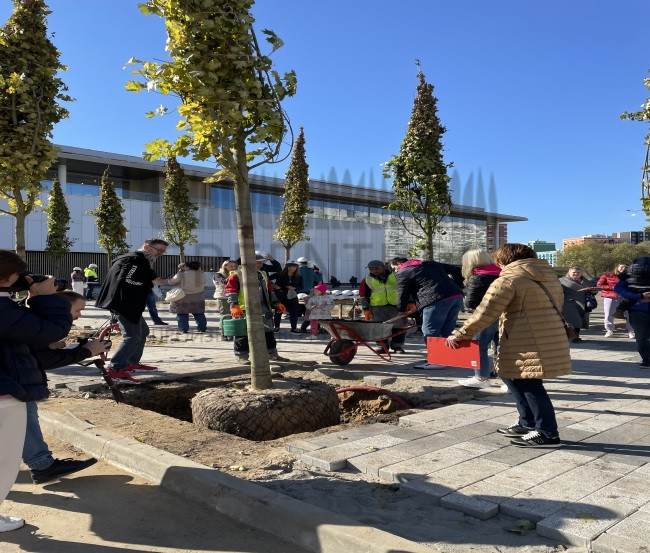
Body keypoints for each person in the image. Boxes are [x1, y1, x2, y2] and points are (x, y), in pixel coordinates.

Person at [446, 243, 571, 448]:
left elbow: (485, 312)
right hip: (546, 335)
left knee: (530, 384)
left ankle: (547, 433)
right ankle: (527, 422)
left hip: (525, 338)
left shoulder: (508, 280)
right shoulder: (549, 278)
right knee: (509, 375)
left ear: (504, 260)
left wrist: (461, 334)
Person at [0, 250, 73, 532]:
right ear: (11, 276)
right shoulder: (3, 309)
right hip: (5, 396)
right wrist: (45, 296)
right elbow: (50, 330)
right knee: (5, 461)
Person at [25, 291, 108, 484]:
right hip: (12, 383)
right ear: (62, 308)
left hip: (14, 381)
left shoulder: (36, 320)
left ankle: (42, 465)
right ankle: (43, 465)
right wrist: (87, 351)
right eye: (78, 310)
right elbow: (43, 359)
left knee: (24, 420)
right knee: (25, 418)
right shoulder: (39, 324)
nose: (80, 315)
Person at [95, 238, 170, 383]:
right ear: (146, 247)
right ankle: (114, 369)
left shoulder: (142, 260)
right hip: (124, 303)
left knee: (143, 331)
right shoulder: (135, 259)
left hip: (129, 303)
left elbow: (148, 276)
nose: (160, 253)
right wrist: (150, 282)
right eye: (158, 250)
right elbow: (127, 279)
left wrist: (161, 280)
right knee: (132, 336)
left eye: (163, 251)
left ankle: (130, 362)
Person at [391, 256, 463, 368]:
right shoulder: (430, 264)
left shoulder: (403, 272)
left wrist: (401, 310)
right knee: (446, 330)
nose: (395, 271)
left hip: (435, 301)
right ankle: (446, 358)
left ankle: (436, 361)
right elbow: (457, 270)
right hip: (456, 297)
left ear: (399, 264)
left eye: (394, 268)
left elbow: (402, 293)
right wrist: (458, 286)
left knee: (430, 330)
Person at [226, 254, 289, 364]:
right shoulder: (236, 276)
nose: (261, 265)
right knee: (242, 334)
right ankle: (241, 357)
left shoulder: (262, 274)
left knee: (268, 332)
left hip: (263, 309)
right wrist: (234, 305)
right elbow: (231, 292)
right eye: (258, 263)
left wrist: (276, 303)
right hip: (243, 309)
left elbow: (270, 291)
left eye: (261, 263)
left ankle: (272, 354)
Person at [456, 249, 501, 389]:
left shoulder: (477, 277)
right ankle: (507, 379)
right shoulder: (501, 273)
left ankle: (481, 378)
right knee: (502, 346)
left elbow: (470, 303)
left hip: (485, 316)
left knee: (478, 346)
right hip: (503, 315)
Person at [359, 260, 406, 354]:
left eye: (377, 268)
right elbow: (363, 295)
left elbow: (405, 289)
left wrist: (409, 303)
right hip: (377, 308)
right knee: (379, 328)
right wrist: (366, 309)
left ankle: (397, 346)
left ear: (383, 267)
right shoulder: (367, 280)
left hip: (395, 306)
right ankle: (382, 346)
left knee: (398, 327)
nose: (374, 271)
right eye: (371, 269)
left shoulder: (396, 276)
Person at [615, 257, 650, 368]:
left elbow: (619, 290)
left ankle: (647, 360)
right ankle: (647, 360)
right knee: (642, 337)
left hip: (636, 310)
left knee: (641, 337)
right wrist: (640, 296)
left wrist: (638, 296)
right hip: (637, 310)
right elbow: (619, 289)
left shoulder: (627, 276)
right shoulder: (627, 277)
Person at [559, 266, 598, 343]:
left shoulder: (585, 281)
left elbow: (592, 290)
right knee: (574, 320)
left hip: (583, 303)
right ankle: (574, 337)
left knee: (580, 320)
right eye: (574, 272)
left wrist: (593, 291)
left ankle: (575, 336)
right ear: (569, 273)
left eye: (578, 272)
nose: (576, 274)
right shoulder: (562, 281)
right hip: (569, 303)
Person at [168, 260, 207, 333]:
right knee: (199, 313)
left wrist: (170, 278)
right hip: (198, 296)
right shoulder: (201, 274)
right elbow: (204, 282)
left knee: (182, 313)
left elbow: (172, 282)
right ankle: (202, 328)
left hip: (183, 297)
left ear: (188, 267)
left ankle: (183, 329)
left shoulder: (181, 274)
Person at [598, 263, 634, 338]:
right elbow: (599, 285)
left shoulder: (631, 276)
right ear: (617, 268)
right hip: (611, 297)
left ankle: (631, 331)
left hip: (626, 298)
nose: (624, 268)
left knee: (629, 315)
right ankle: (609, 330)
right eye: (622, 267)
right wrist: (614, 287)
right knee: (609, 314)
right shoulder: (607, 276)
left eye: (626, 267)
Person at [270, 260, 303, 333]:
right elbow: (267, 278)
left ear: (297, 268)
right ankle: (276, 327)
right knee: (279, 311)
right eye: (290, 266)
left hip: (292, 296)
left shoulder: (298, 277)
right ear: (287, 267)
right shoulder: (279, 274)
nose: (292, 268)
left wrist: (294, 288)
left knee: (293, 312)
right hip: (280, 295)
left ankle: (294, 328)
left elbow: (301, 287)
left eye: (294, 267)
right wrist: (273, 285)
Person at [213, 259, 237, 341]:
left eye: (234, 266)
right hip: (222, 297)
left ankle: (231, 333)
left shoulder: (235, 274)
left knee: (233, 316)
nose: (233, 268)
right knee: (225, 316)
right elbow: (223, 282)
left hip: (233, 297)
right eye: (231, 266)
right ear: (225, 266)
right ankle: (223, 333)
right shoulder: (218, 275)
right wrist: (233, 277)